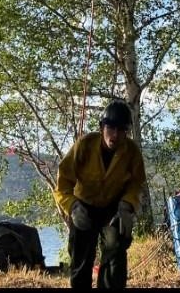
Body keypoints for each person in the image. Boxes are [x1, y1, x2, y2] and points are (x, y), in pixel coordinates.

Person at [54, 98, 147, 290]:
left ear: (126, 132)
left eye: (122, 130)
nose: (115, 135)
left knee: (116, 253)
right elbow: (63, 182)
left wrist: (127, 206)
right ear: (101, 127)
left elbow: (136, 184)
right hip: (83, 207)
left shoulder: (132, 152)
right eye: (111, 128)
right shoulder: (84, 145)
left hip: (114, 209)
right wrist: (72, 206)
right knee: (80, 260)